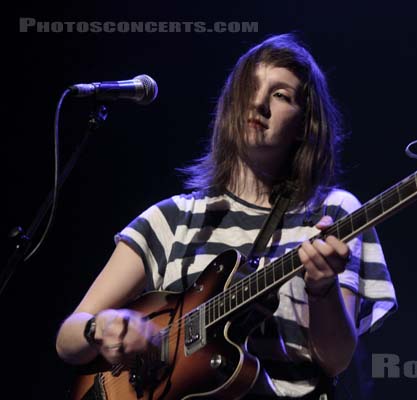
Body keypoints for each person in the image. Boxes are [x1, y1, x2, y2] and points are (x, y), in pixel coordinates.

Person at [56, 33, 397, 399]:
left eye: (281, 95)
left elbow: (335, 360)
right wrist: (101, 327)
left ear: (303, 125)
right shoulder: (171, 219)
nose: (260, 102)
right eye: (250, 87)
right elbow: (68, 337)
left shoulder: (333, 212)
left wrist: (323, 288)